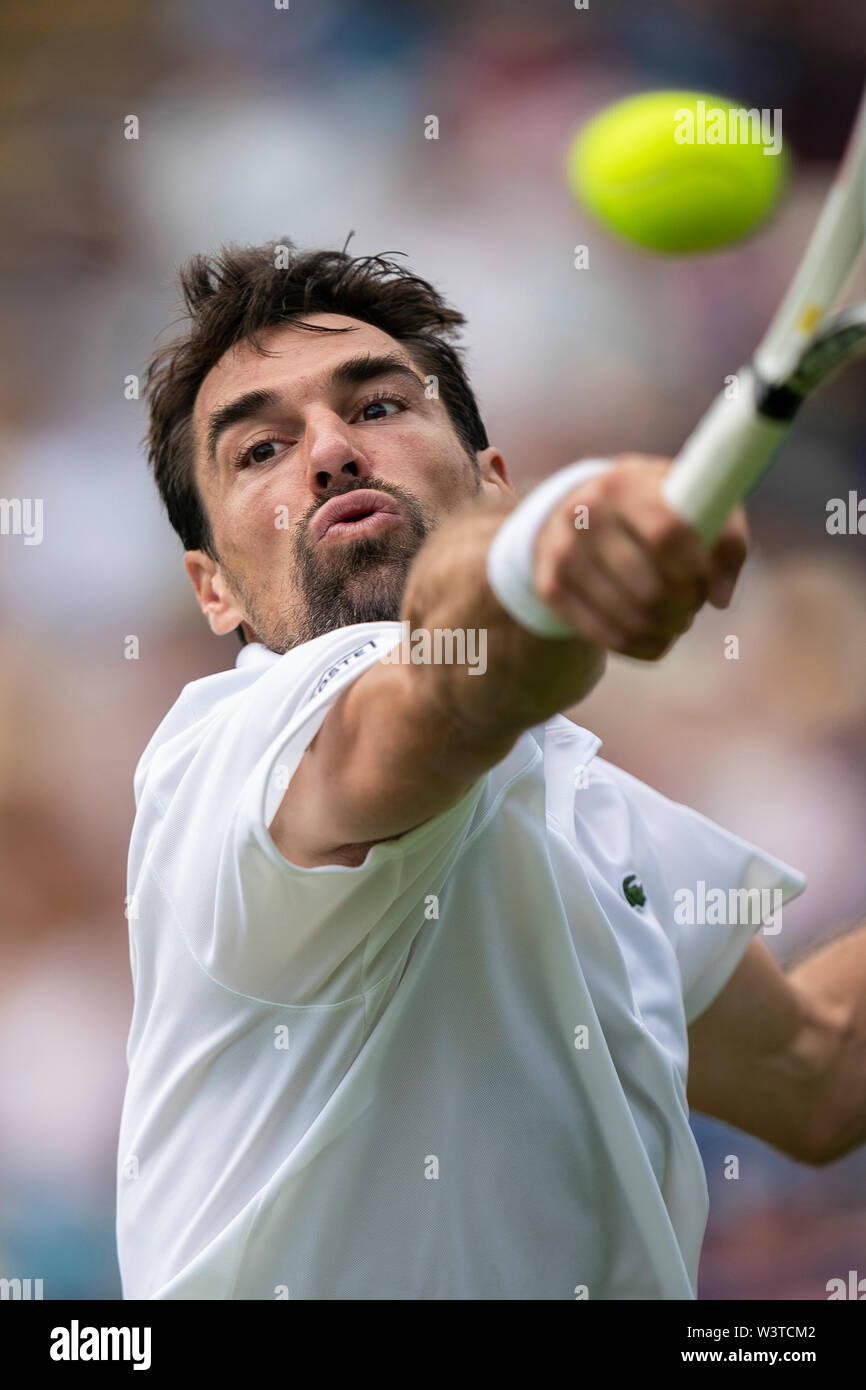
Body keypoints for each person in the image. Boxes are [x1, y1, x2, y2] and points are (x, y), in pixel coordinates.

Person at [116, 239, 863, 1300]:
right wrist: (542, 546)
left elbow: (817, 1070)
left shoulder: (598, 813)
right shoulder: (228, 754)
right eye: (259, 450)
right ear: (213, 591)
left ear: (488, 478)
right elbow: (448, 682)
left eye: (376, 407)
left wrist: (528, 554)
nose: (326, 450)